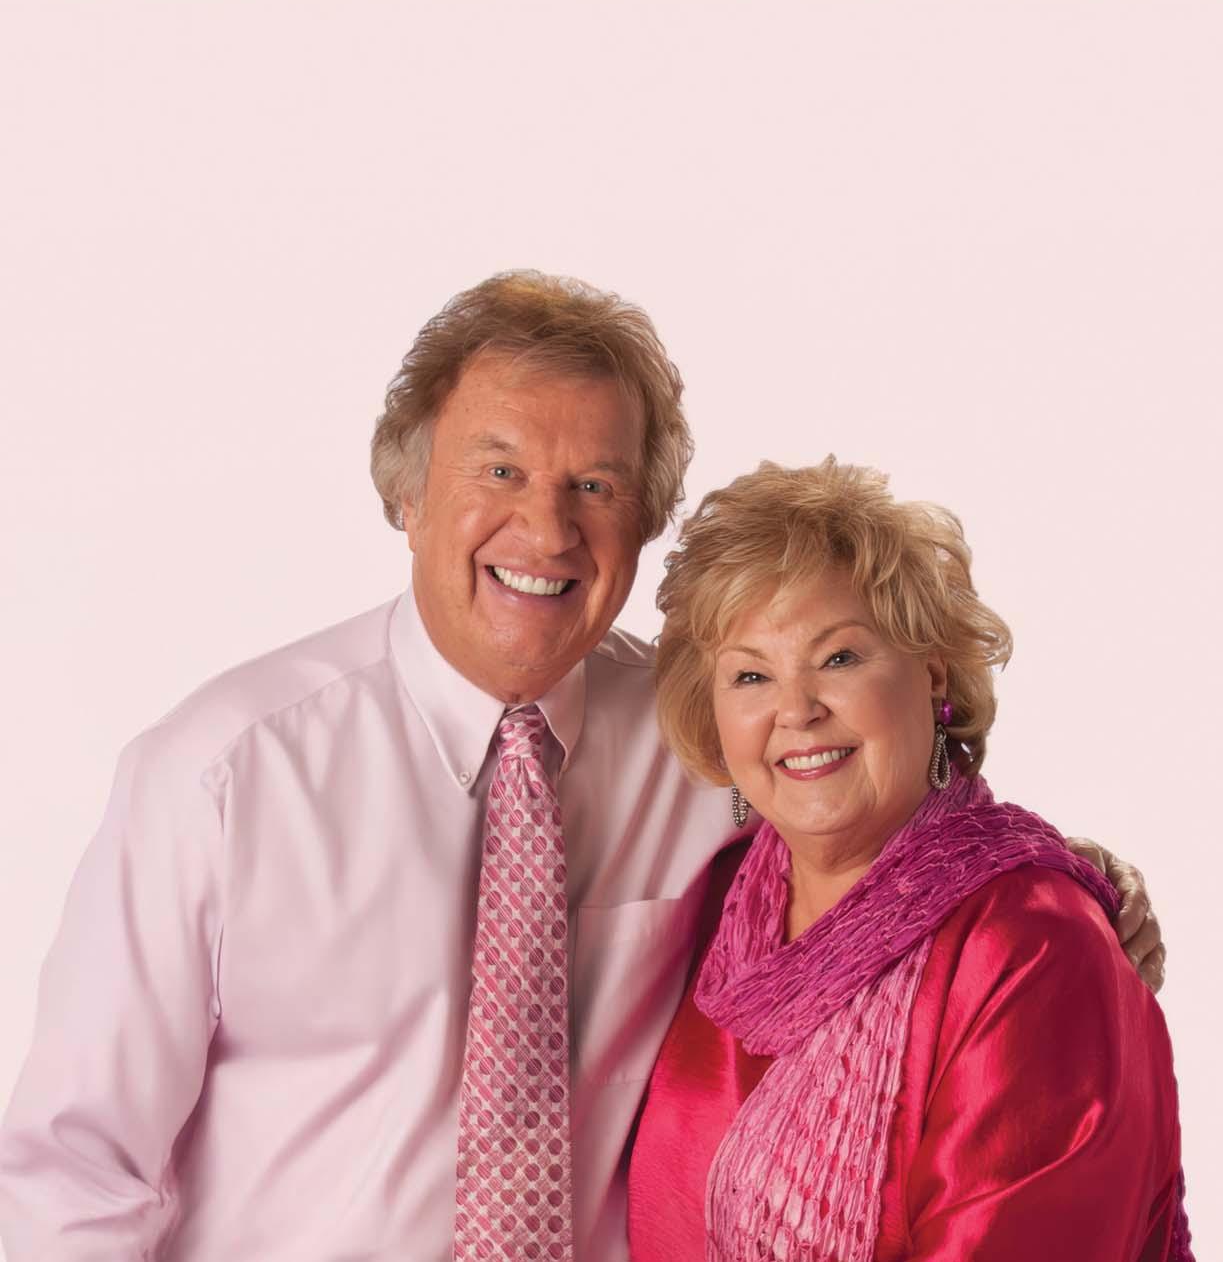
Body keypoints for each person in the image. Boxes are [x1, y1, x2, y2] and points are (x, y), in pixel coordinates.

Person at [0, 274, 1163, 1262]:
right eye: (498, 470)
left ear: (643, 516)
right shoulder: (220, 778)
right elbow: (72, 1168)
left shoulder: (698, 736)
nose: (547, 530)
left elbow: (871, 825)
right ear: (405, 491)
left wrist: (1064, 882)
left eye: (594, 485)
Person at [628, 458, 1190, 1260]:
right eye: (750, 674)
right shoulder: (719, 903)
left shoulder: (1034, 944)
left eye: (839, 658)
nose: (796, 709)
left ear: (931, 673)